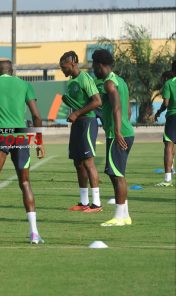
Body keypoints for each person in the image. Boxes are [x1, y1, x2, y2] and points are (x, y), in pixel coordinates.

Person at [0, 59, 45, 246]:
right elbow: (36, 116)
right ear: (11, 71)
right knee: (25, 182)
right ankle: (34, 233)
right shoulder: (24, 85)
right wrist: (38, 142)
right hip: (21, 134)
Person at [92, 49, 135, 226]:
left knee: (116, 175)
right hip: (126, 131)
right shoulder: (121, 81)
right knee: (118, 174)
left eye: (94, 65)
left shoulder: (109, 84)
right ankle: (124, 215)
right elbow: (128, 109)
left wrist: (117, 131)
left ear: (100, 65)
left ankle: (119, 217)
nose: (93, 69)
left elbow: (117, 108)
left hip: (118, 134)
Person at [59, 51, 102, 213]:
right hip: (77, 124)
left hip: (88, 123)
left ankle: (97, 204)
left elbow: (97, 101)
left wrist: (77, 113)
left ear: (73, 63)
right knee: (78, 162)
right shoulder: (71, 82)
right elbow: (77, 102)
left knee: (88, 162)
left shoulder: (85, 78)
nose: (62, 69)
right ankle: (84, 202)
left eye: (64, 66)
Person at [154, 64, 176, 187]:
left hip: (173, 117)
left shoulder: (169, 83)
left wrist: (158, 112)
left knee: (169, 145)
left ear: (173, 71)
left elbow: (166, 103)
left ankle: (168, 179)